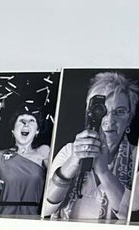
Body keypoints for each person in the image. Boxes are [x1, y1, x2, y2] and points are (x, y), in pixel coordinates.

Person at [43, 72, 139, 221]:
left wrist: (104, 172)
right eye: (102, 111)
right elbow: (45, 208)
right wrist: (72, 163)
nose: (109, 120)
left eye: (119, 112)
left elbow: (132, 216)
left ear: (129, 119)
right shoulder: (70, 150)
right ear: (90, 114)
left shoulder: (136, 157)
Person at [0, 111, 50, 216]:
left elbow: (55, 183)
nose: (26, 124)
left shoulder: (44, 153)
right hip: (4, 217)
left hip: (32, 219)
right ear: (13, 130)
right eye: (22, 121)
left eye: (31, 121)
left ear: (37, 131)